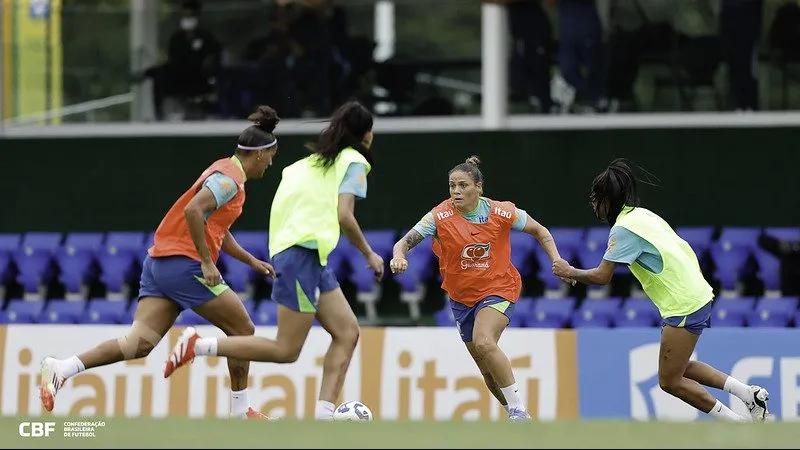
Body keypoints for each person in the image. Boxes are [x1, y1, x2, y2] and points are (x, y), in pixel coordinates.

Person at [39, 105, 281, 420]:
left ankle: (62, 368)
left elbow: (215, 227)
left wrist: (251, 261)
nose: (271, 162)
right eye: (271, 155)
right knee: (243, 329)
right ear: (259, 154)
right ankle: (239, 410)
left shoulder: (224, 170)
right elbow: (193, 211)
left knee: (137, 345)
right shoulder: (230, 180)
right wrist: (207, 263)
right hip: (183, 265)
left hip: (160, 264)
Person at [163, 101, 383, 421]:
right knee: (286, 350)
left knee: (347, 332)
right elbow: (344, 215)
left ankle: (324, 418)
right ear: (367, 134)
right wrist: (369, 253)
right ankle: (198, 345)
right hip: (302, 255)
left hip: (305, 254)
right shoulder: (355, 161)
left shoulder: (305, 164)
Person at [552, 158, 771, 423]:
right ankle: (749, 395)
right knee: (679, 367)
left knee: (669, 381)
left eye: (594, 199)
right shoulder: (640, 214)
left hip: (682, 303)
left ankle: (738, 424)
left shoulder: (623, 230)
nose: (593, 205)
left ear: (606, 200)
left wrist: (570, 271)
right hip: (695, 293)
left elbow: (602, 276)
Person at [390, 155, 572, 422]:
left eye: (463, 185)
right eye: (452, 186)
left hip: (499, 288)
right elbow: (404, 242)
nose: (456, 191)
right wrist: (399, 256)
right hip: (460, 298)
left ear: (478, 187)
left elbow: (540, 231)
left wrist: (556, 260)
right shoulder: (439, 216)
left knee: (484, 341)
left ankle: (518, 410)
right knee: (486, 369)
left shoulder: (502, 212)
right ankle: (517, 417)